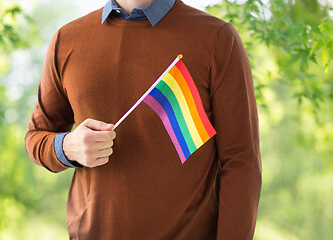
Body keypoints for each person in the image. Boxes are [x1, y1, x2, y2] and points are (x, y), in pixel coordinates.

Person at [24, 0, 262, 239]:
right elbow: (36, 137)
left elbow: (241, 161)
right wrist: (68, 147)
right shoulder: (66, 40)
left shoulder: (217, 39)